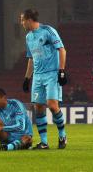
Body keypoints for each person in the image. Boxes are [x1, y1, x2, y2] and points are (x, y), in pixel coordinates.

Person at [21, 9, 67, 149]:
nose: (21, 23)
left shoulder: (47, 31)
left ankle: (62, 136)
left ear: (29, 20)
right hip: (38, 76)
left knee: (53, 106)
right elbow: (31, 59)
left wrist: (62, 71)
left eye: (22, 20)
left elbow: (62, 50)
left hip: (51, 74)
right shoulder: (28, 37)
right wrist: (27, 78)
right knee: (39, 108)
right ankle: (44, 142)